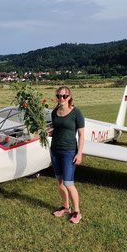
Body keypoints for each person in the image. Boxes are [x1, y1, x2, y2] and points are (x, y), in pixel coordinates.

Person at [49, 85, 85, 224]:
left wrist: (79, 153)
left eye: (64, 96)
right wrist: (47, 133)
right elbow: (57, 130)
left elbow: (81, 135)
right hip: (55, 150)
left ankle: (77, 212)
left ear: (69, 97)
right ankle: (66, 208)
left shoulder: (76, 113)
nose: (61, 98)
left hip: (69, 151)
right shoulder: (54, 112)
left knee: (69, 183)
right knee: (60, 182)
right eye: (59, 96)